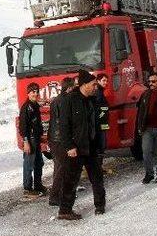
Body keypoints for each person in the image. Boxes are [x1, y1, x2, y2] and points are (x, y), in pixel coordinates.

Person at [58, 69, 105, 220]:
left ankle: (100, 206)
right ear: (84, 85)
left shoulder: (92, 100)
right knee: (70, 180)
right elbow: (64, 126)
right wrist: (69, 146)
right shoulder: (69, 100)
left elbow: (96, 124)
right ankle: (65, 211)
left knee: (97, 177)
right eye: (93, 85)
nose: (95, 87)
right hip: (76, 148)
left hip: (91, 146)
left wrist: (99, 144)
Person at [47, 77, 75, 207]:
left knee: (58, 167)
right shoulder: (66, 101)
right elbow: (64, 123)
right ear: (69, 88)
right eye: (73, 87)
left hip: (54, 138)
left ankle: (58, 194)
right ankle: (55, 197)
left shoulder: (56, 100)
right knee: (62, 168)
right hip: (60, 139)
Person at [18, 82, 46, 197]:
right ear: (28, 93)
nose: (35, 94)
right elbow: (23, 127)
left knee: (39, 163)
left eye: (36, 91)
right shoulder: (26, 108)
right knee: (29, 165)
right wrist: (26, 142)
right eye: (33, 92)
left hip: (36, 139)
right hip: (30, 140)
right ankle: (28, 189)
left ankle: (38, 185)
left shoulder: (34, 105)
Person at [93, 74, 110, 159]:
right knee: (100, 145)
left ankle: (99, 168)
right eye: (104, 80)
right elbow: (97, 110)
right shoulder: (98, 93)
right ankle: (98, 169)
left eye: (106, 81)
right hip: (100, 123)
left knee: (102, 145)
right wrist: (100, 117)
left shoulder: (100, 92)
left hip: (103, 123)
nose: (106, 82)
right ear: (98, 81)